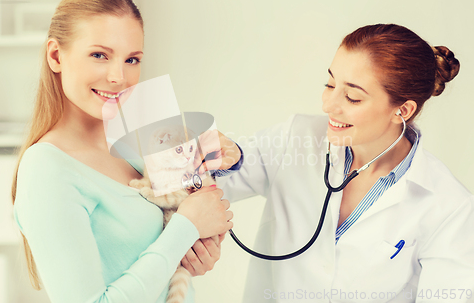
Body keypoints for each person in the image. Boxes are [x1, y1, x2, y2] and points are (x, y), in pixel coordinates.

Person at [197, 24, 474, 302]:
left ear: (402, 110)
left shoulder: (450, 207)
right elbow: (208, 185)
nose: (328, 105)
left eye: (352, 97)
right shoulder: (296, 137)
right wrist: (222, 158)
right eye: (330, 84)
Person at [11, 0, 233, 303]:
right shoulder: (46, 169)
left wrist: (195, 252)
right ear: (56, 56)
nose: (119, 77)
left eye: (132, 59)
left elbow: (166, 247)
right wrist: (186, 228)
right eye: (99, 55)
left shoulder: (136, 141)